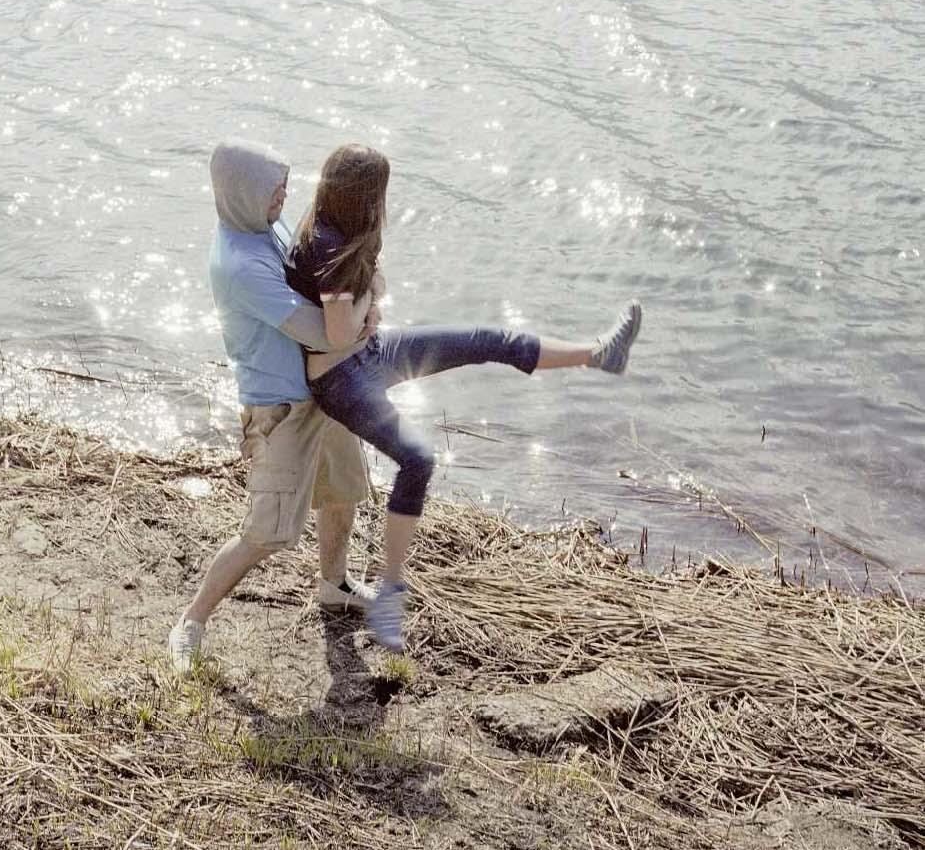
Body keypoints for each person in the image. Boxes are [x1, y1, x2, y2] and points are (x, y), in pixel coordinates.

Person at [286, 142, 642, 654]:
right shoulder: (326, 244)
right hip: (342, 378)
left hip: (370, 353)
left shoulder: (339, 232)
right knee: (418, 459)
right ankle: (390, 593)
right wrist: (374, 295)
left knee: (485, 339)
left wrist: (370, 303)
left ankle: (599, 354)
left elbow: (356, 319)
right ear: (363, 195)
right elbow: (340, 333)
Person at [168, 141, 378, 676]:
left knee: (342, 490)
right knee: (267, 532)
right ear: (243, 194)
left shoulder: (267, 226)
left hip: (321, 389)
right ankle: (191, 621)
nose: (285, 196)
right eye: (273, 190)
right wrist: (370, 308)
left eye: (284, 185)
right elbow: (322, 334)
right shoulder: (240, 264)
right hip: (279, 409)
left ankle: (334, 585)